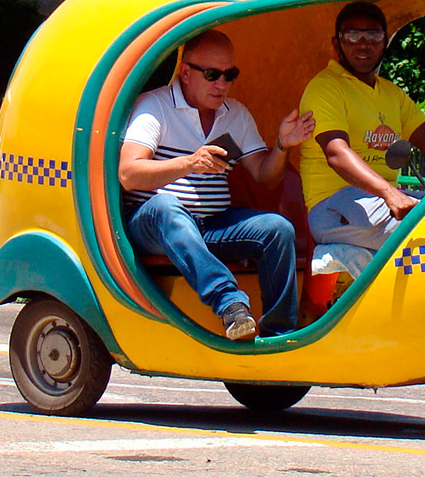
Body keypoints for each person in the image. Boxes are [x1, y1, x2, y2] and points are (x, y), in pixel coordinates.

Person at [119, 30, 316, 340]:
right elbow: (129, 173)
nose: (222, 84)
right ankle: (230, 304)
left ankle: (280, 333)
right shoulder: (155, 106)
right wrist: (189, 163)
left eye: (229, 75)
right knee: (168, 207)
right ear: (185, 72)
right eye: (212, 75)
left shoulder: (234, 115)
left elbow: (266, 178)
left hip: (210, 224)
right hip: (155, 223)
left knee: (277, 228)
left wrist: (281, 145)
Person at [299, 1, 425, 254]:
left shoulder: (392, 94)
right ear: (337, 44)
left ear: (385, 42)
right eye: (352, 35)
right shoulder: (325, 88)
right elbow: (336, 154)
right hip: (333, 207)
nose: (363, 43)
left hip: (385, 200)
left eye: (373, 35)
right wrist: (390, 193)